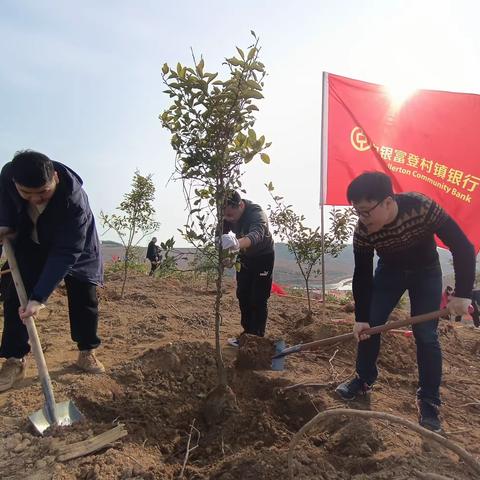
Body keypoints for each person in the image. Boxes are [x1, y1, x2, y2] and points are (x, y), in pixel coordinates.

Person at [335, 172, 475, 432]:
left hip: (426, 272)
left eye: (366, 211)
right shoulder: (363, 232)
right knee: (371, 326)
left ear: (387, 202)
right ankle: (363, 379)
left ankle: (429, 401)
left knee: (426, 334)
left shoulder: (421, 207)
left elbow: (462, 246)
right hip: (390, 272)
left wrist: (463, 293)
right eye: (357, 212)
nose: (361, 219)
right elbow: (362, 274)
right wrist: (360, 317)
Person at [0, 150, 105, 392]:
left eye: (43, 192)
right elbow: (4, 202)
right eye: (27, 193)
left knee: (84, 298)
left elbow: (66, 252)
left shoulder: (74, 200)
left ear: (55, 177)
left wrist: (39, 298)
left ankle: (86, 351)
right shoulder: (8, 176)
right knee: (17, 295)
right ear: (15, 183)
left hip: (76, 249)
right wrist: (4, 222)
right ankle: (15, 360)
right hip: (31, 242)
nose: (36, 199)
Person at [221, 191, 275, 342]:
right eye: (225, 216)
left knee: (258, 297)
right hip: (244, 256)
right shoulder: (226, 214)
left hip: (263, 256)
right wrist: (227, 256)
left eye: (231, 215)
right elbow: (221, 235)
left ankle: (257, 338)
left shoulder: (256, 214)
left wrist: (237, 244)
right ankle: (247, 333)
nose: (228, 219)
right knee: (243, 294)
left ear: (241, 205)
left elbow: (256, 235)